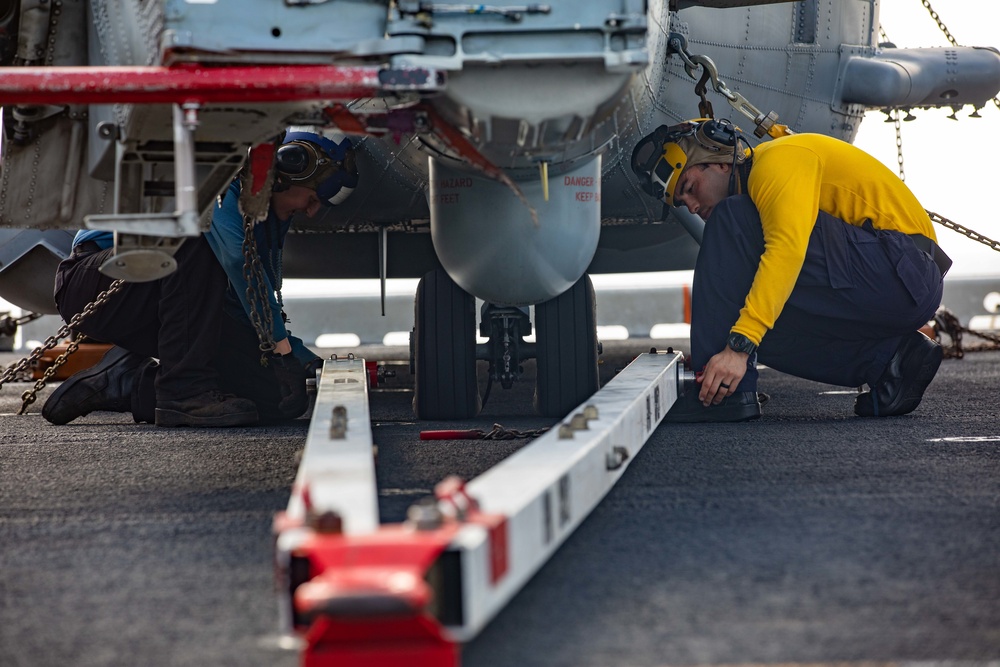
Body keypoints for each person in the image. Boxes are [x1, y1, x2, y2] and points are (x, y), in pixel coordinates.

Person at [630, 118, 950, 422]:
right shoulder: (755, 190)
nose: (692, 206)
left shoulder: (777, 162)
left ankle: (722, 396)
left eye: (689, 186)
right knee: (747, 326)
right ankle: (891, 362)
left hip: (906, 272)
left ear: (719, 162)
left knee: (732, 221)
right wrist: (732, 345)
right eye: (682, 202)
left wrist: (737, 349)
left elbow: (787, 248)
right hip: (891, 282)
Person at [42, 129, 358, 427]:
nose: (312, 211)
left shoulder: (261, 220)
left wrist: (301, 360)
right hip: (101, 281)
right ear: (287, 171)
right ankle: (182, 390)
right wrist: (282, 348)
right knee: (198, 233)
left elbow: (243, 303)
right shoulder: (217, 177)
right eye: (313, 199)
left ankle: (128, 383)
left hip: (173, 301)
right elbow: (235, 260)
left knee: (274, 397)